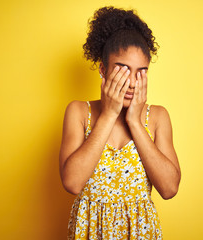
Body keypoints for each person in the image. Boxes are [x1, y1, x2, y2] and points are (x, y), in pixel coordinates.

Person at [59, 6, 181, 239]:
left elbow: (169, 189)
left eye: (141, 72)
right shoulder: (78, 112)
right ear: (103, 70)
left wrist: (134, 122)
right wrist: (108, 114)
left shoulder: (157, 117)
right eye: (123, 70)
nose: (133, 83)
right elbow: (72, 182)